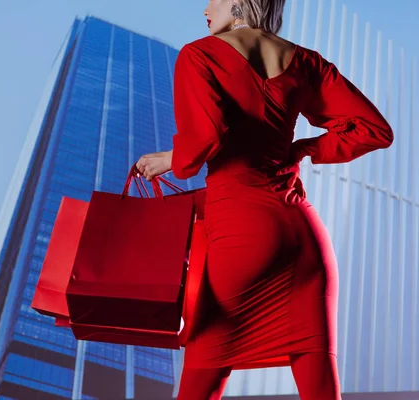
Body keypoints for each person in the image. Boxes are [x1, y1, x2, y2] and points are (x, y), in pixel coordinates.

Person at [135, 0, 393, 399]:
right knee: (320, 385)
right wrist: (302, 148)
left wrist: (169, 160)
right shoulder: (305, 61)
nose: (205, 8)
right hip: (305, 238)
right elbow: (374, 129)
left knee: (201, 377)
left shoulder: (199, 55)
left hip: (243, 234)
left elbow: (203, 141)